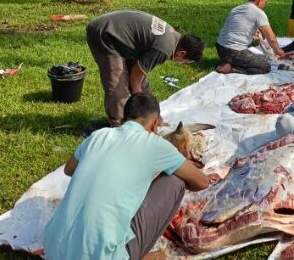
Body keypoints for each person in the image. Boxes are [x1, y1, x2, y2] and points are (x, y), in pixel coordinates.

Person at [43, 93, 209, 260]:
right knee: (175, 181)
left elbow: (69, 170)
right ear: (154, 124)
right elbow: (201, 182)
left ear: (124, 118)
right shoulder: (156, 145)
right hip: (102, 256)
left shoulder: (98, 136)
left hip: (54, 249)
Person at [86, 10, 205, 127]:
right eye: (185, 62)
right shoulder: (163, 49)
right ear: (182, 54)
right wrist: (138, 101)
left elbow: (138, 76)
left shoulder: (174, 37)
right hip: (105, 34)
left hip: (121, 36)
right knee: (118, 87)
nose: (181, 64)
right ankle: (119, 127)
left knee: (144, 87)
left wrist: (155, 118)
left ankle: (152, 120)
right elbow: (135, 76)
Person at [216, 0, 286, 75]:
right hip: (234, 52)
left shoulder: (237, 9)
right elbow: (271, 38)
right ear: (259, 0)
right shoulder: (258, 13)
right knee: (265, 65)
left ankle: (227, 62)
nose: (265, 5)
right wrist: (278, 50)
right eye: (265, 2)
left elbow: (237, 27)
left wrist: (252, 33)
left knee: (249, 57)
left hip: (220, 48)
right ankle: (232, 69)